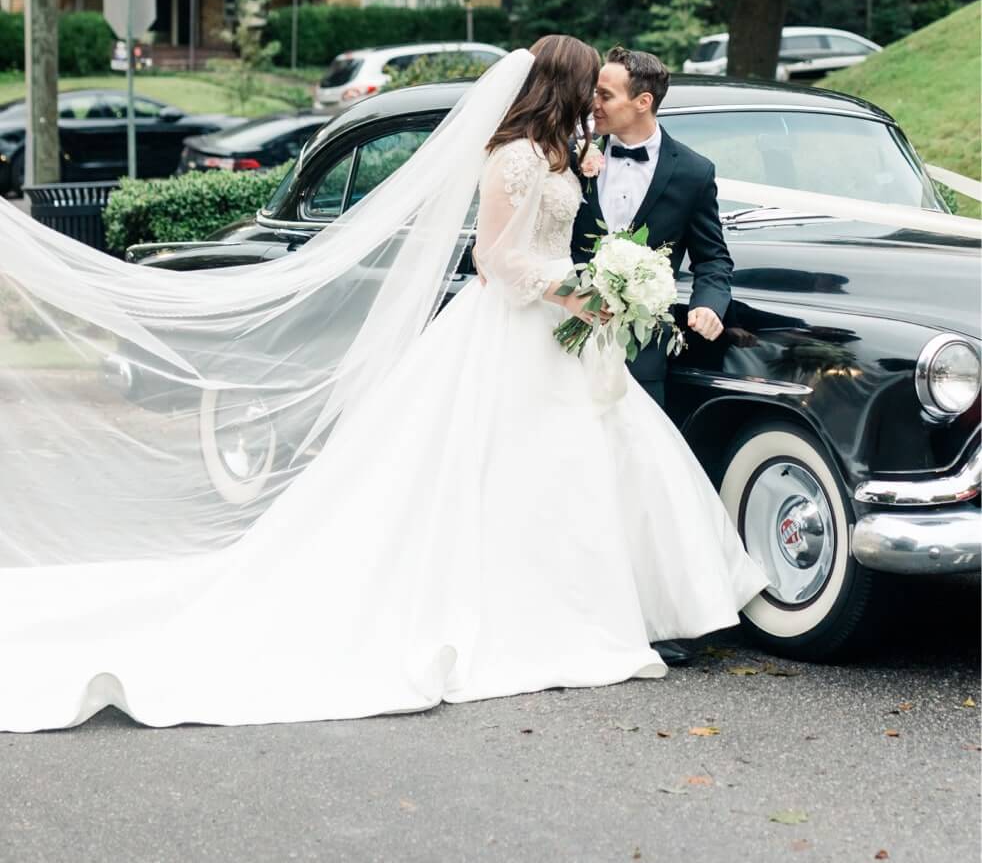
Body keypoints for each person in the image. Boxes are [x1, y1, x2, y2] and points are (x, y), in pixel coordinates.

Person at [0, 36, 767, 732]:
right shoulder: (513, 157)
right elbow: (494, 260)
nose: (597, 101)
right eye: (589, 88)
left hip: (563, 338)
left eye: (609, 92)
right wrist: (577, 291)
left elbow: (598, 232)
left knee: (581, 469)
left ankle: (608, 608)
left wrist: (604, 284)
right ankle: (521, 614)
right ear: (567, 87)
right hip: (511, 328)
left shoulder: (566, 154)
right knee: (502, 468)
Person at [572, 46, 733, 409]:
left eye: (605, 95)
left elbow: (713, 259)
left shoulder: (694, 172)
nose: (592, 103)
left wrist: (709, 305)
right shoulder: (572, 156)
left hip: (642, 354)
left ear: (643, 101)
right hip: (565, 340)